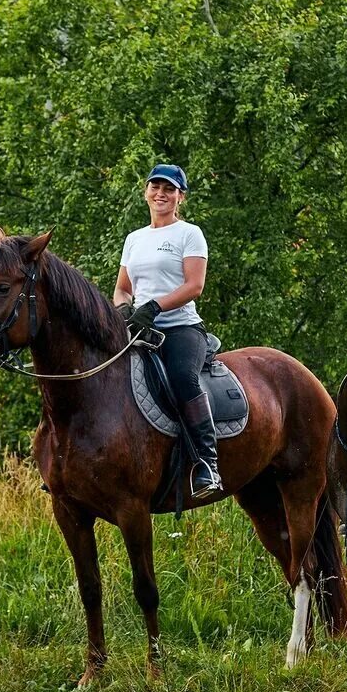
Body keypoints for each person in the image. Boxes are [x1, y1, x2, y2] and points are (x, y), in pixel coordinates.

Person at [113, 163, 222, 501]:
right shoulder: (135, 239)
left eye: (169, 189)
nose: (160, 193)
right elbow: (122, 288)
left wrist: (156, 306)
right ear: (146, 191)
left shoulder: (189, 234)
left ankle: (207, 462)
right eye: (155, 187)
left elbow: (195, 286)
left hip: (181, 328)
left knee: (182, 379)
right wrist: (125, 309)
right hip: (139, 329)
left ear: (180, 197)